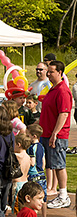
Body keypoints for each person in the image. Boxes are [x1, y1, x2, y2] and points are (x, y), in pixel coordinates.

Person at [40, 60, 72, 209]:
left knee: (59, 165)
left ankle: (63, 195)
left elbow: (64, 113)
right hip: (46, 133)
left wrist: (55, 133)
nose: (48, 73)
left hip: (56, 135)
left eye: (51, 71)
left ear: (60, 73)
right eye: (48, 71)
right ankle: (60, 194)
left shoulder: (62, 91)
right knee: (52, 164)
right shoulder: (53, 89)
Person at [27, 123, 48, 217]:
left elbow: (32, 162)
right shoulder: (41, 147)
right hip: (41, 174)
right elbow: (43, 161)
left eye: (28, 135)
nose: (27, 137)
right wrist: (41, 170)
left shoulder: (31, 148)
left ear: (33, 136)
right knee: (42, 197)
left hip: (33, 174)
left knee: (33, 197)